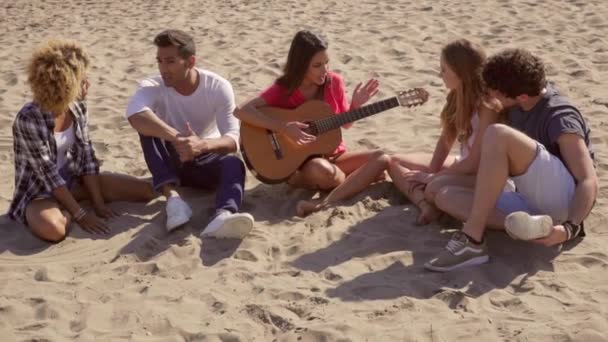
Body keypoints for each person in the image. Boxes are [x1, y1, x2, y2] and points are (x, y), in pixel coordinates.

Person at [425, 48, 598, 272]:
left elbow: (588, 180)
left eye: (492, 92)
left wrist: (570, 228)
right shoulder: (517, 99)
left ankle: (472, 240)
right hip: (529, 196)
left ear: (521, 96)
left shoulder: (559, 115)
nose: (487, 94)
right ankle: (533, 228)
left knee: (498, 133)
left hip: (564, 200)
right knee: (444, 195)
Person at [9, 39, 155, 242]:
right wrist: (81, 215)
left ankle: (72, 202)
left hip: (73, 181)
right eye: (81, 77)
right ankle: (67, 208)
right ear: (65, 83)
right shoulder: (29, 118)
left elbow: (87, 156)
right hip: (41, 193)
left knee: (145, 192)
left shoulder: (77, 107)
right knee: (54, 230)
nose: (86, 82)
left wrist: (98, 204)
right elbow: (47, 174)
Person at [235, 30, 390, 217]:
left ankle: (334, 193)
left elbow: (345, 124)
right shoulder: (284, 89)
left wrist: (355, 105)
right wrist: (284, 128)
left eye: (326, 63)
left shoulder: (334, 82)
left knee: (382, 158)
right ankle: (351, 181)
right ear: (301, 66)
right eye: (317, 65)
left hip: (334, 154)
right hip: (303, 164)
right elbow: (241, 111)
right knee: (324, 171)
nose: (324, 70)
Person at [125, 29, 254, 239]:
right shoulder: (153, 85)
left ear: (190, 61)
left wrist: (201, 146)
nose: (163, 69)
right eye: (159, 61)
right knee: (147, 125)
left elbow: (233, 139)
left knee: (234, 163)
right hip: (168, 160)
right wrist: (179, 139)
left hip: (202, 160)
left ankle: (223, 215)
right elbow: (134, 115)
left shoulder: (217, 87)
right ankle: (174, 200)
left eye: (170, 61)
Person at [388, 39, 503, 225]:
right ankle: (425, 205)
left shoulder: (487, 107)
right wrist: (432, 170)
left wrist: (432, 177)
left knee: (435, 187)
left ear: (460, 73)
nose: (440, 74)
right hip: (463, 165)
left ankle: (431, 201)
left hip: (483, 174)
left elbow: (474, 163)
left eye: (444, 70)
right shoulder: (457, 95)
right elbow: (446, 140)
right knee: (394, 162)